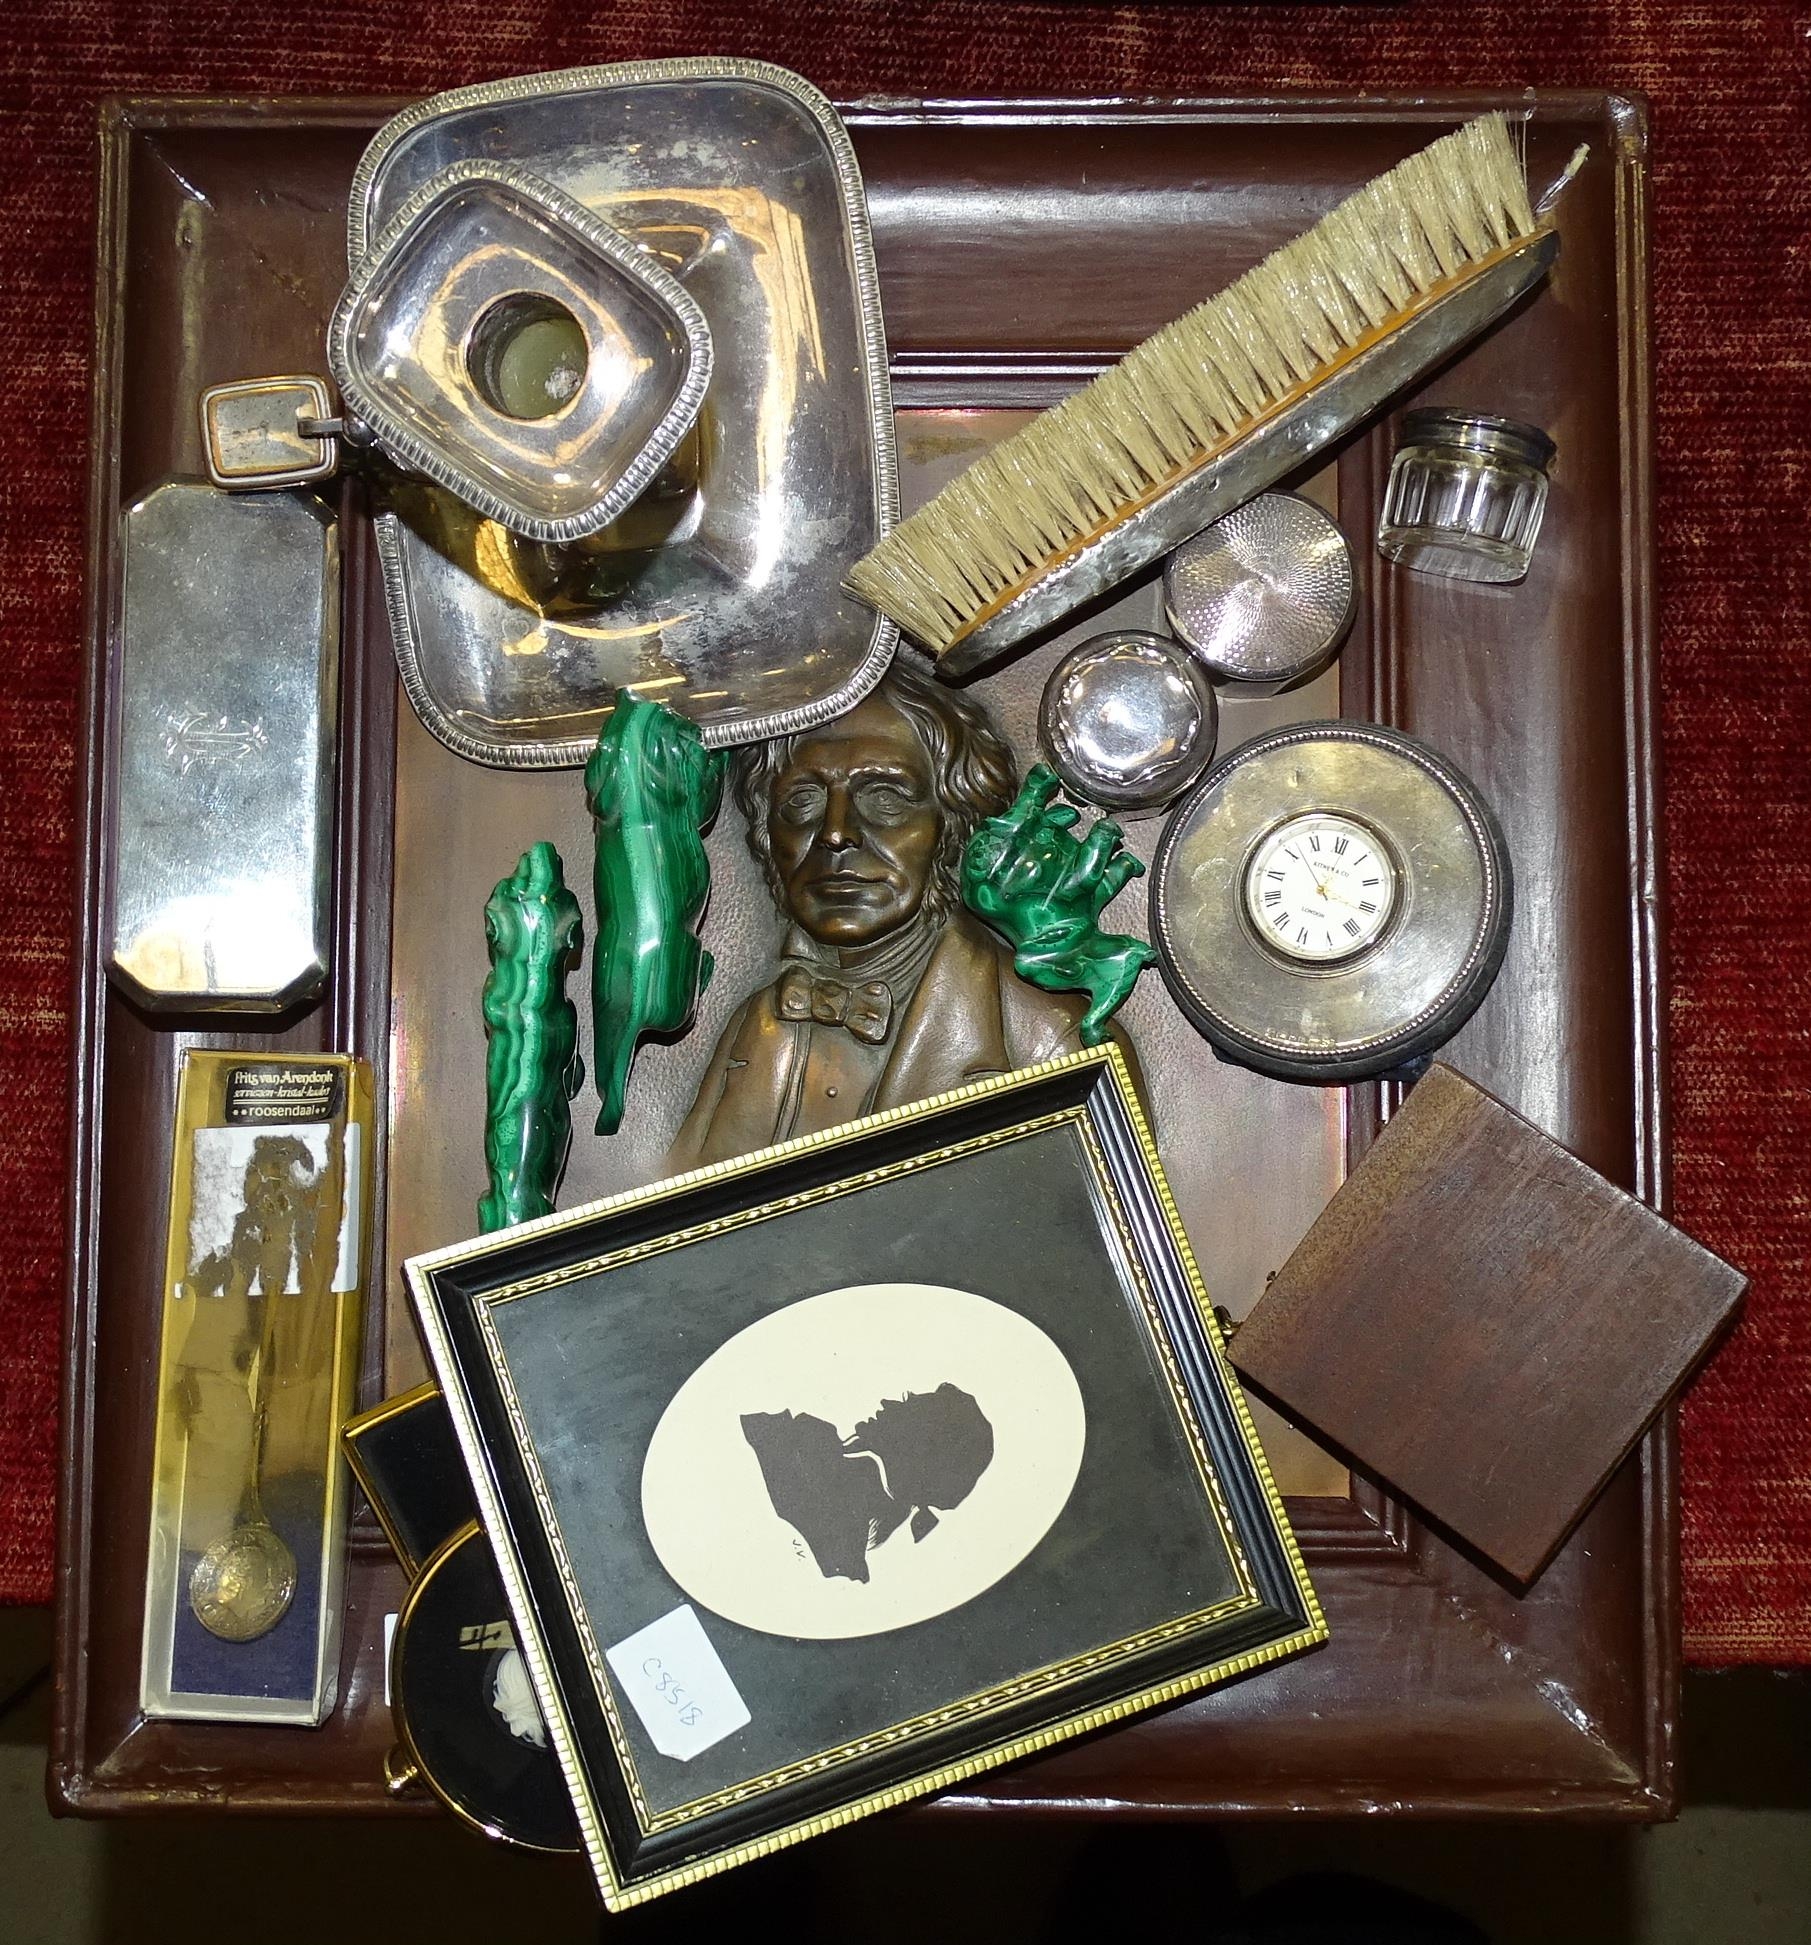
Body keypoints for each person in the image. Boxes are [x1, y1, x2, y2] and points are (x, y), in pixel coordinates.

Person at [668, 658, 1140, 1171]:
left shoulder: (1054, 1041)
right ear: (766, 835)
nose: (835, 833)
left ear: (952, 827)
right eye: (803, 800)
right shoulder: (753, 1026)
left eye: (886, 797)